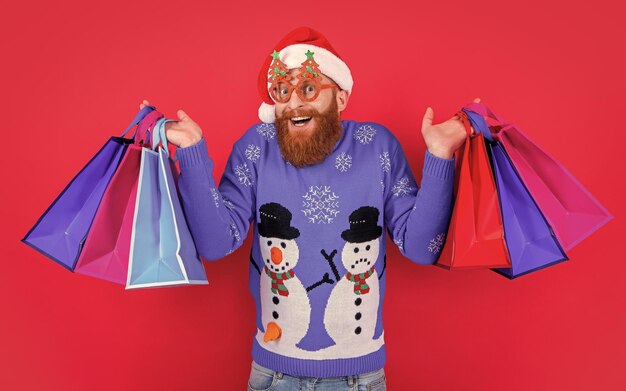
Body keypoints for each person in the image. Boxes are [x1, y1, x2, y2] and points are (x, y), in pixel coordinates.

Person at [141, 26, 477, 390]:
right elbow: (215, 243)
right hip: (274, 377)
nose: (294, 103)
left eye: (309, 88)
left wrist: (440, 155)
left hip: (358, 379)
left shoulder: (377, 146)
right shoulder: (257, 147)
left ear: (341, 98)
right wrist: (191, 150)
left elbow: (421, 247)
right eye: (283, 91)